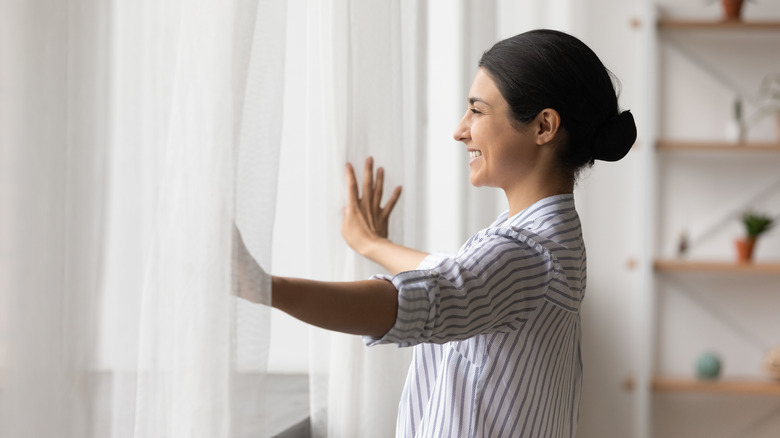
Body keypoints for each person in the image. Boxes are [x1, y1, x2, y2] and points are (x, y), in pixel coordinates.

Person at [235, 29, 636, 438]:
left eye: (477, 111)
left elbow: (423, 299)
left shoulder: (526, 256)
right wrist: (374, 244)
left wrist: (266, 287)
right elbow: (457, 277)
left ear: (544, 126)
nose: (460, 130)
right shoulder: (548, 245)